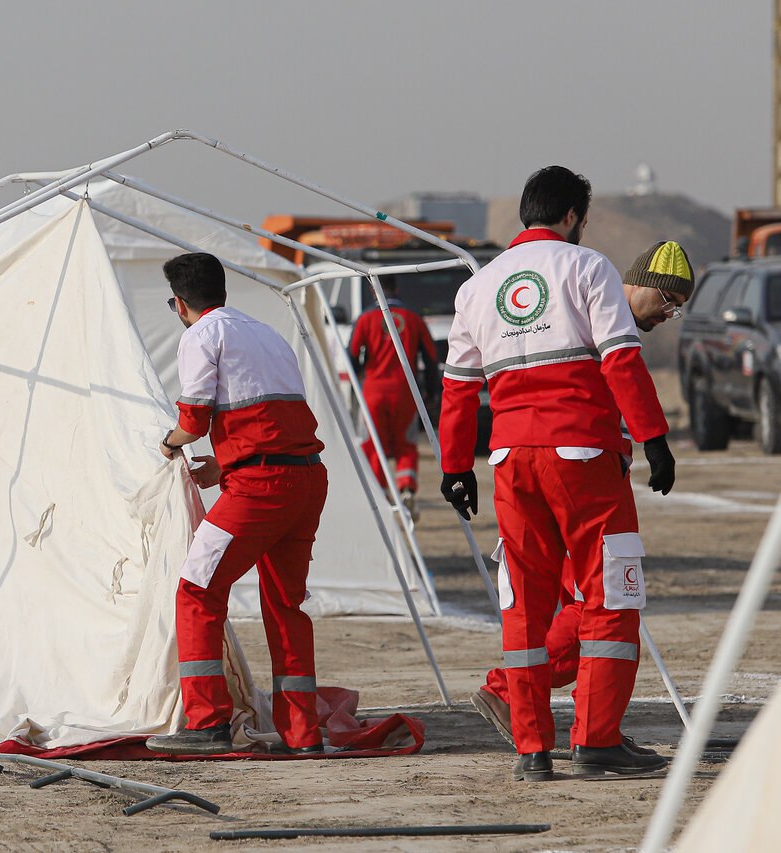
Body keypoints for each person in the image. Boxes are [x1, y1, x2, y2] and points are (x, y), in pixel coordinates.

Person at [438, 167, 676, 781]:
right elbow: (621, 360)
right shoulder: (587, 267)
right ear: (571, 216)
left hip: (510, 461)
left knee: (524, 603)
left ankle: (531, 749)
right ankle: (596, 740)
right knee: (609, 593)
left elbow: (460, 389)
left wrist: (453, 466)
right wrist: (654, 438)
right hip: (583, 458)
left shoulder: (477, 287)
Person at [470, 240, 696, 753]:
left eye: (677, 307)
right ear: (637, 285)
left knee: (572, 601)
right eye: (666, 301)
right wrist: (655, 440)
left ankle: (546, 720)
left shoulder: (560, 302)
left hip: (536, 465)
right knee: (599, 601)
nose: (668, 315)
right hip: (577, 475)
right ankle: (577, 727)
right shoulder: (594, 305)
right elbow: (616, 371)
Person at [143, 252, 329, 756]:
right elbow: (276, 421)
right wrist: (224, 468)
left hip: (260, 489)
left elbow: (195, 417)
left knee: (196, 588)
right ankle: (302, 732)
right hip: (304, 479)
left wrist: (167, 444)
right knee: (285, 604)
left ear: (180, 303)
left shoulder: (200, 336)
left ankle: (206, 722)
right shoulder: (267, 333)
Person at [348, 278, 437, 520]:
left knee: (373, 445)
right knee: (406, 445)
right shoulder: (414, 318)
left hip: (374, 391)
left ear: (372, 291)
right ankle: (406, 487)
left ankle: (381, 496)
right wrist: (431, 392)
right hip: (406, 392)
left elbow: (352, 357)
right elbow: (430, 359)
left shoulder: (365, 318)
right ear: (396, 289)